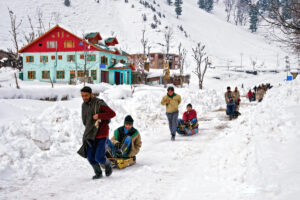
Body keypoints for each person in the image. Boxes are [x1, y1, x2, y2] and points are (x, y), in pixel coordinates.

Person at [77, 86, 116, 179]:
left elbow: (112, 113)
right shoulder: (84, 105)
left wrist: (99, 115)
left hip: (102, 134)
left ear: (91, 94)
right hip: (90, 135)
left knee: (98, 157)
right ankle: (98, 173)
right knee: (90, 157)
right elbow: (85, 121)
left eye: (86, 95)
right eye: (82, 96)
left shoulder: (100, 103)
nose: (84, 98)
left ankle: (108, 164)